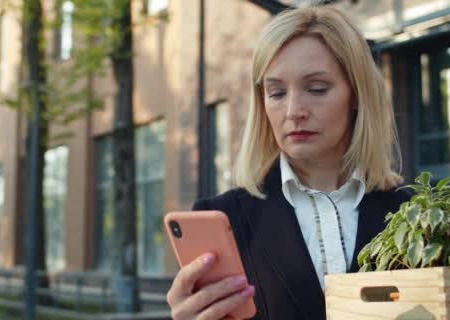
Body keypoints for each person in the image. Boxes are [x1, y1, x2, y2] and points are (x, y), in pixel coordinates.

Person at [166, 5, 411, 320]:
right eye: (277, 93)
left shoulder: (414, 212)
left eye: (316, 89)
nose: (294, 110)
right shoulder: (226, 220)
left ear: (357, 95)